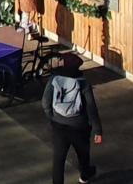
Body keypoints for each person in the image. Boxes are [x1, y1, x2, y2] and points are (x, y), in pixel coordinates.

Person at [42, 53, 103, 184]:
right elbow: (91, 108)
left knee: (58, 160)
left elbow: (45, 102)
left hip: (59, 126)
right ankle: (85, 176)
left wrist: (52, 117)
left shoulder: (54, 80)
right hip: (79, 127)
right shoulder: (83, 83)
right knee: (83, 154)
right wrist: (98, 130)